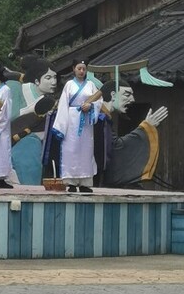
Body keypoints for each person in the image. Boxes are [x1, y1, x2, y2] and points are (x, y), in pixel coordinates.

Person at [97, 80, 169, 188]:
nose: (132, 99)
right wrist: (145, 129)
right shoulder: (98, 117)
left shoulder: (102, 116)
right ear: (113, 95)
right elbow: (115, 149)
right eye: (127, 95)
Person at [51, 57, 102, 193]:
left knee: (86, 150)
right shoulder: (69, 85)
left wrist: (91, 106)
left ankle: (85, 182)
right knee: (71, 149)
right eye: (79, 68)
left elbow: (99, 100)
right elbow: (63, 105)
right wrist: (61, 126)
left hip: (86, 122)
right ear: (74, 69)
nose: (81, 71)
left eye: (84, 69)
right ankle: (71, 182)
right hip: (71, 120)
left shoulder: (91, 85)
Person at [9, 57, 59, 185]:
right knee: (29, 146)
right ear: (37, 81)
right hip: (20, 141)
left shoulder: (49, 100)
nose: (53, 82)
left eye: (55, 77)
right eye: (48, 78)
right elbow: (12, 116)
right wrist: (34, 110)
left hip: (41, 143)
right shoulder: (17, 88)